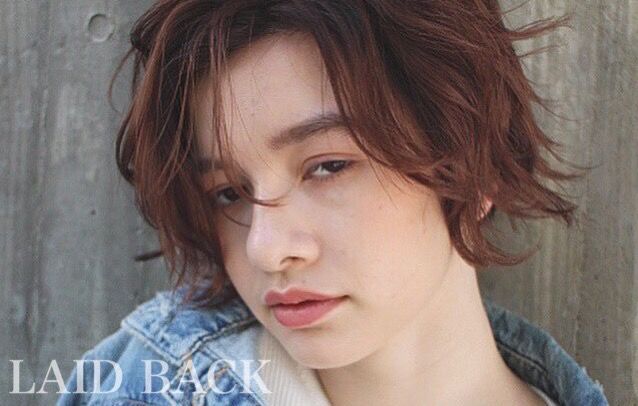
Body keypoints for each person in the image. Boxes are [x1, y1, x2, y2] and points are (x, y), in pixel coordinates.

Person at [58, 0, 608, 405]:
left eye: (327, 166)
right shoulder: (144, 387)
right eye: (229, 192)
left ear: (473, 165)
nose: (266, 249)